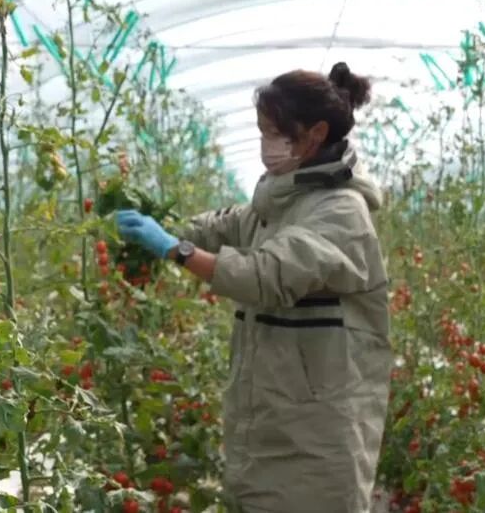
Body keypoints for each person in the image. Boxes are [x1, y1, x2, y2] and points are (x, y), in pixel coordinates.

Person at [116, 62, 391, 512]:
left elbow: (265, 276)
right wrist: (164, 227)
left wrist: (175, 250)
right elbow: (227, 225)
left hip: (320, 433)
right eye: (262, 131)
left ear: (315, 134)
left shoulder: (340, 212)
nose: (266, 143)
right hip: (271, 417)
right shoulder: (285, 199)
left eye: (274, 133)